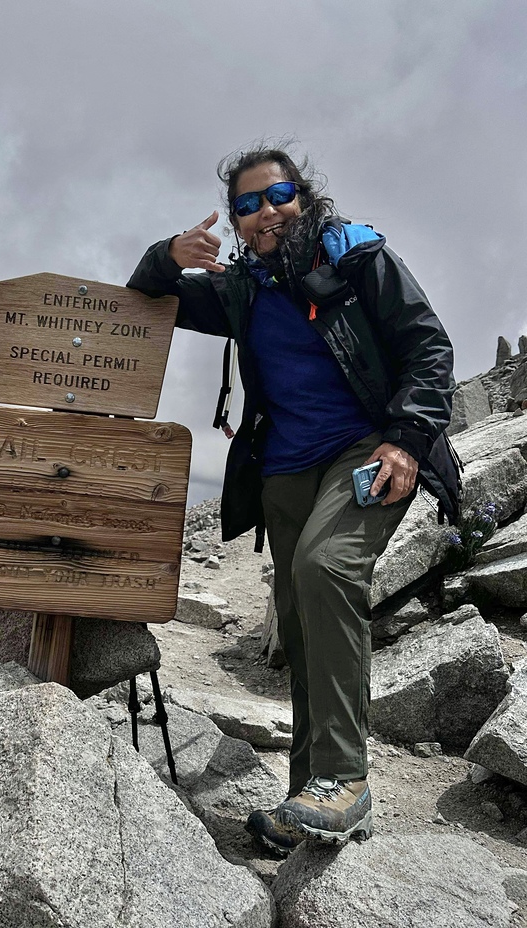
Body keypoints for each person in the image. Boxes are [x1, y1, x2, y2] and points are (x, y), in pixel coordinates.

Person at [127, 144, 459, 851]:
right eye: (246, 206)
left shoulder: (356, 258)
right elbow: (147, 299)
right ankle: (307, 796)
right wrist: (168, 253)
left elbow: (429, 349)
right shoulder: (242, 288)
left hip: (366, 453)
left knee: (327, 568)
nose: (263, 213)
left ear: (302, 198)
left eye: (276, 196)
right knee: (303, 626)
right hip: (283, 472)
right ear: (238, 223)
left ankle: (345, 779)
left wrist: (404, 439)